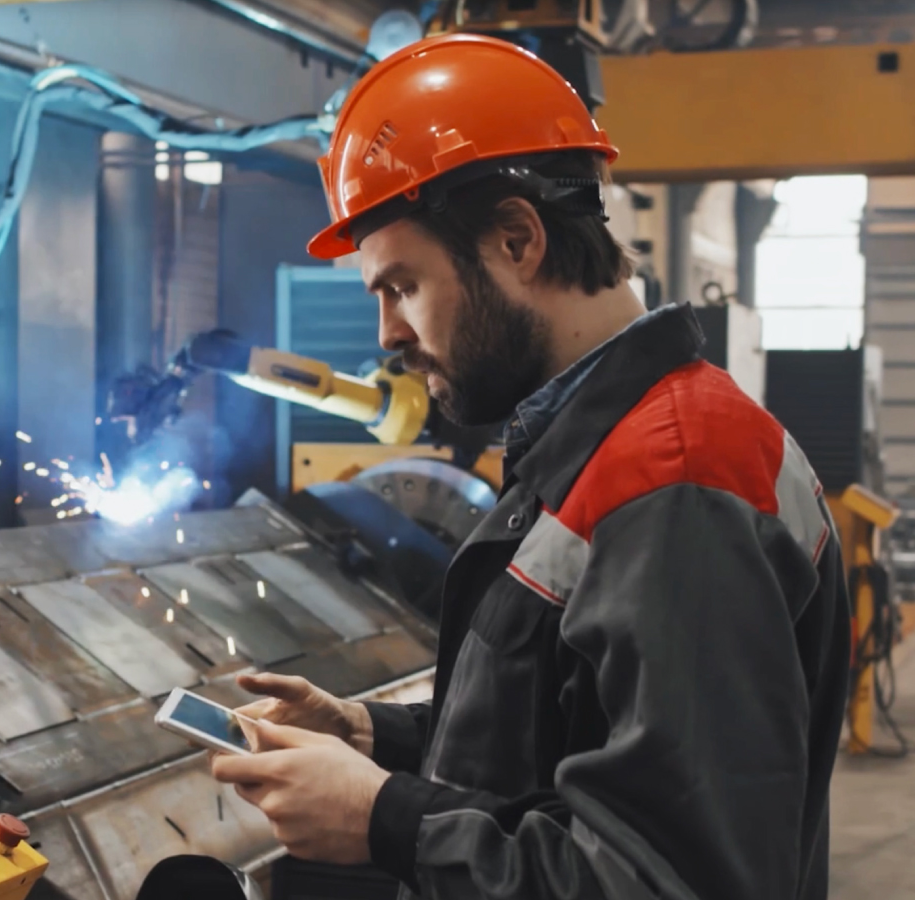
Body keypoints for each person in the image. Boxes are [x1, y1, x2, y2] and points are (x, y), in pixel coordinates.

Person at [210, 33, 849, 900]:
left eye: (402, 286)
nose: (388, 335)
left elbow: (669, 879)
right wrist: (374, 738)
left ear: (517, 241)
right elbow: (566, 733)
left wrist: (387, 821)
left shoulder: (675, 482)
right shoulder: (602, 447)